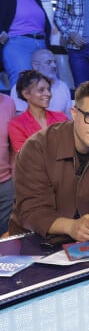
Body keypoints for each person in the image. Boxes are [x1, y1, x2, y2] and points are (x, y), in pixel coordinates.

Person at [9, 81, 89, 241]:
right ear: (74, 113)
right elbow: (32, 210)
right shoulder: (36, 146)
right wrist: (71, 227)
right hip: (33, 239)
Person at [0, 0, 51, 88]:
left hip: (41, 45)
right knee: (23, 87)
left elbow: (46, 25)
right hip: (18, 45)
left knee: (46, 87)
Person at [8, 70, 68, 153]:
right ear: (26, 94)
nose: (48, 94)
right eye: (41, 90)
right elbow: (26, 157)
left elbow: (70, 150)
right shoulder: (17, 125)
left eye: (49, 89)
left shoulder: (61, 118)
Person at [9, 49, 72, 117]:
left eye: (55, 62)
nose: (54, 66)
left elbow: (69, 118)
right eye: (48, 62)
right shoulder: (21, 87)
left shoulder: (63, 86)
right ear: (35, 65)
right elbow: (21, 120)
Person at [0, 93, 15, 236]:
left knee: (6, 238)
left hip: (6, 183)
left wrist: (12, 176)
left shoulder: (8, 102)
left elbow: (12, 143)